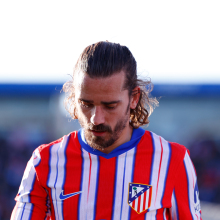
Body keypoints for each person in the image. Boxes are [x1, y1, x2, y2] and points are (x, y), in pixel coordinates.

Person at [11, 41, 202, 220]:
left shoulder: (172, 160)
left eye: (110, 106)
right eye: (86, 104)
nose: (96, 118)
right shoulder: (45, 161)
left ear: (134, 98)